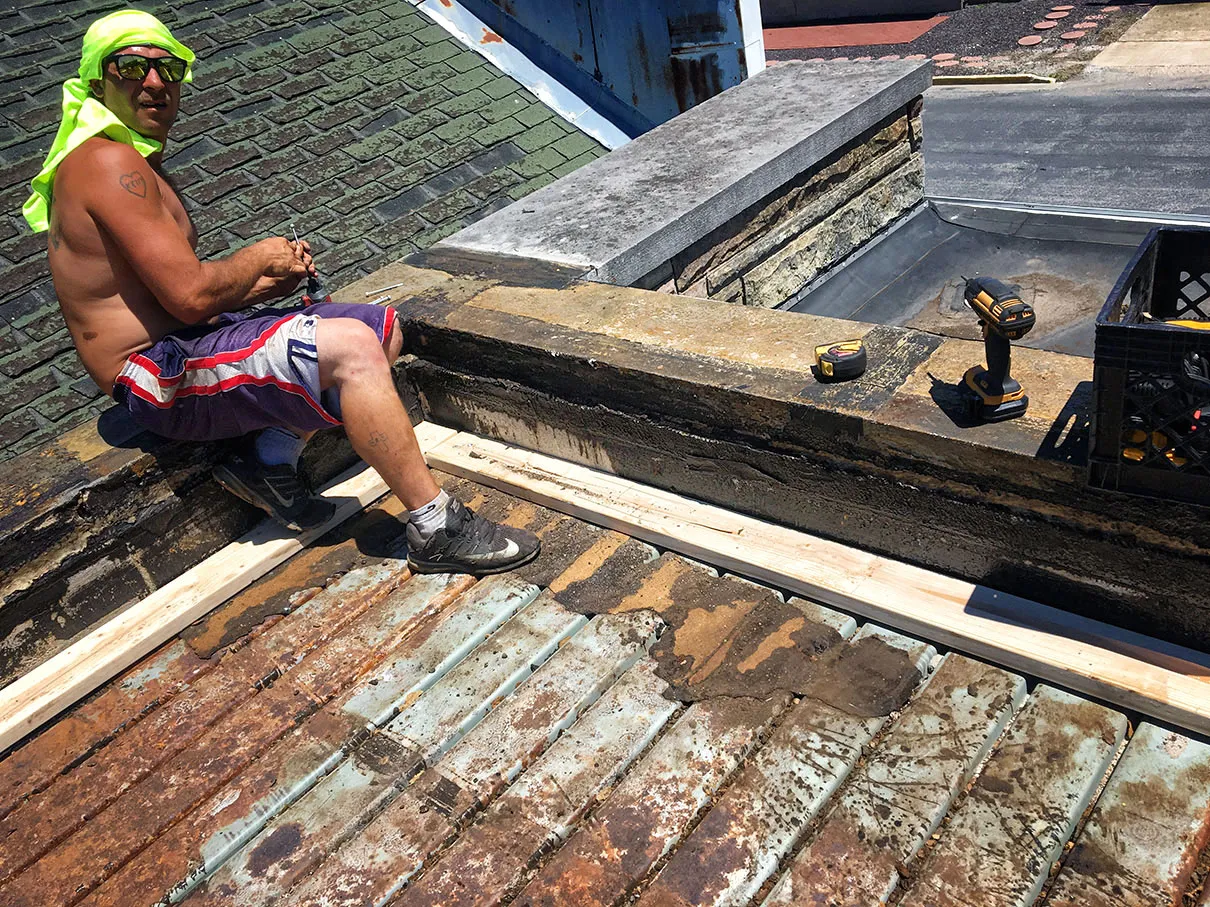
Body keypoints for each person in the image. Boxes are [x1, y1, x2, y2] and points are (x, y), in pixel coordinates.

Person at [23, 10, 539, 577]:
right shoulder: (106, 162)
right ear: (97, 81)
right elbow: (191, 298)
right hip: (151, 376)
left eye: (168, 68)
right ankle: (436, 526)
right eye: (132, 67)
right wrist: (254, 260)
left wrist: (263, 283)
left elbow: (181, 298)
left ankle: (268, 460)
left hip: (188, 346)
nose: (155, 83)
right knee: (348, 348)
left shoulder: (133, 160)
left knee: (380, 328)